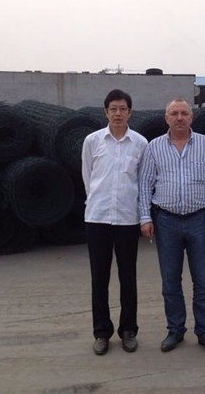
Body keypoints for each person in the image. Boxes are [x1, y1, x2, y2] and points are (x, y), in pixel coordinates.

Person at [138, 98, 205, 356]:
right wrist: (145, 218)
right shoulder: (154, 147)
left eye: (184, 113)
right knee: (170, 281)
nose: (179, 117)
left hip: (200, 219)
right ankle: (175, 329)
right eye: (174, 113)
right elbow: (145, 184)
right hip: (166, 221)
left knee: (204, 281)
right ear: (166, 118)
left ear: (191, 117)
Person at [81, 89, 148, 356]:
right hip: (97, 217)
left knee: (127, 276)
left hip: (127, 220)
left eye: (123, 108)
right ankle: (101, 332)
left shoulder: (140, 143)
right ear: (106, 112)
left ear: (130, 112)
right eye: (113, 108)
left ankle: (128, 330)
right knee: (99, 277)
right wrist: (97, 201)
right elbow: (88, 177)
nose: (118, 113)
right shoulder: (92, 141)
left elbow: (143, 182)